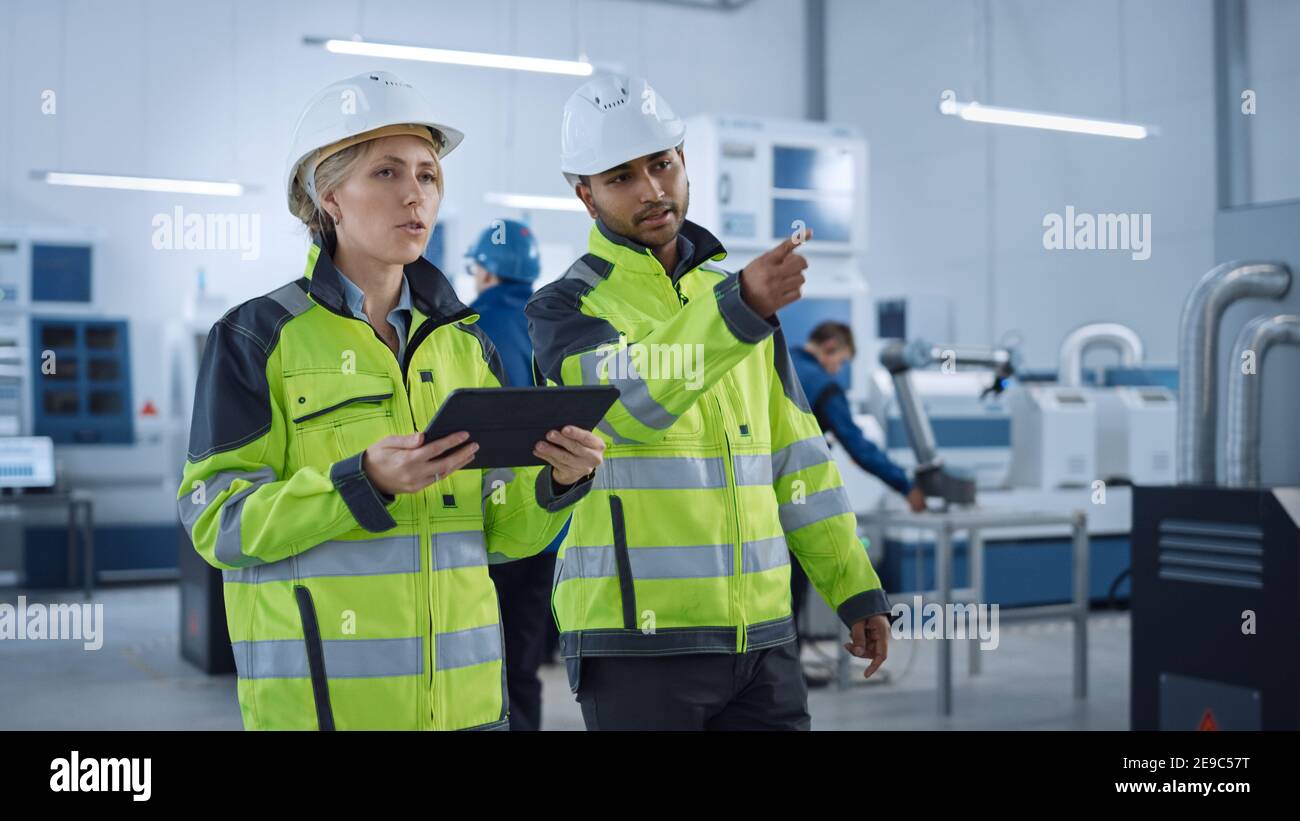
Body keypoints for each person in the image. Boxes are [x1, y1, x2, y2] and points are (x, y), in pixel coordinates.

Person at [177, 71, 603, 731]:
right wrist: (361, 481)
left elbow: (499, 534)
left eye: (428, 175)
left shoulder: (467, 345)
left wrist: (556, 481)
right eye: (386, 173)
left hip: (471, 710)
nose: (415, 194)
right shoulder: (255, 338)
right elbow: (218, 521)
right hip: (328, 712)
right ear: (329, 195)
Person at [525, 74, 891, 731]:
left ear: (684, 160)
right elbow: (626, 404)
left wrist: (852, 584)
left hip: (763, 642)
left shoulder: (737, 304)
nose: (652, 189)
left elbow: (799, 460)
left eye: (660, 164)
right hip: (636, 645)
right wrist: (739, 309)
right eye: (621, 177)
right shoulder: (565, 309)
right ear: (586, 195)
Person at [465, 218, 560, 730]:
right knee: (523, 659)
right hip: (548, 519)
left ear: (484, 271)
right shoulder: (551, 319)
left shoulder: (463, 327)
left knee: (477, 660)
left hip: (487, 525)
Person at [787, 320, 924, 648]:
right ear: (830, 346)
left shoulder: (777, 362)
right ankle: (788, 673)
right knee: (792, 591)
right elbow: (859, 447)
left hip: (753, 502)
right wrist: (906, 486)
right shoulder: (822, 385)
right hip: (795, 504)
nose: (838, 371)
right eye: (842, 361)